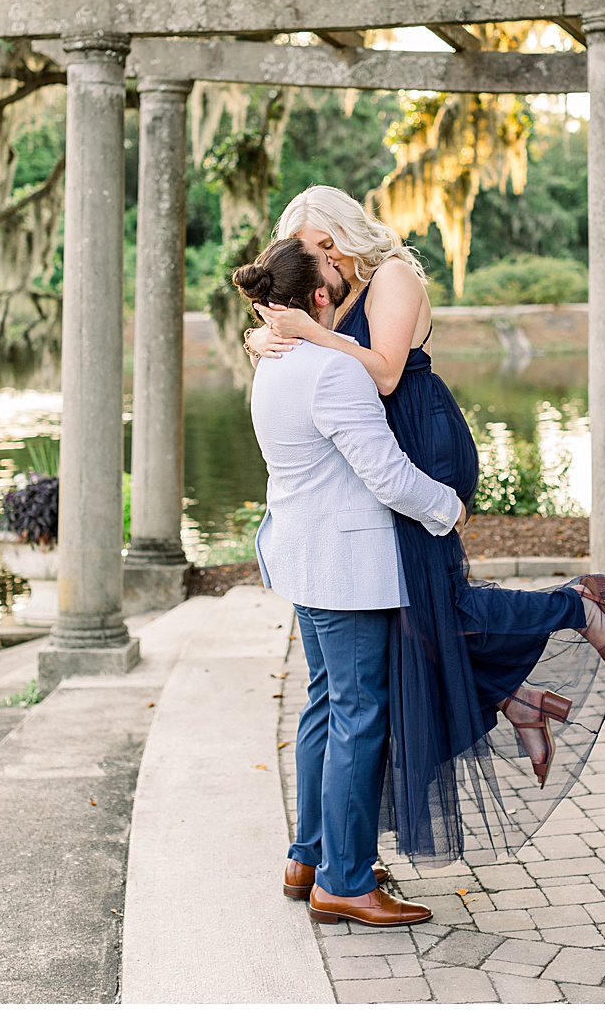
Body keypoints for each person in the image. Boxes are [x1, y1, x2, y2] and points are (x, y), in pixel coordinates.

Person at [243, 185, 605, 869]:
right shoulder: (322, 301)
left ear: (339, 238)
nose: (316, 261)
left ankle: (574, 609)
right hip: (366, 459)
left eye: (320, 247)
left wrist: (305, 333)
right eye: (305, 253)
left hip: (416, 440)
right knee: (408, 636)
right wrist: (266, 336)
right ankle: (516, 698)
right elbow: (307, 367)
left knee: (434, 610)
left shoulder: (391, 274)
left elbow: (387, 375)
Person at [233, 236, 464, 927]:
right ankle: (346, 881)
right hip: (345, 571)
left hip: (307, 562)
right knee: (360, 716)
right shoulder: (333, 373)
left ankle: (308, 856)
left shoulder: (273, 366)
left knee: (328, 705)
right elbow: (387, 475)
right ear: (321, 296)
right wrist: (447, 509)